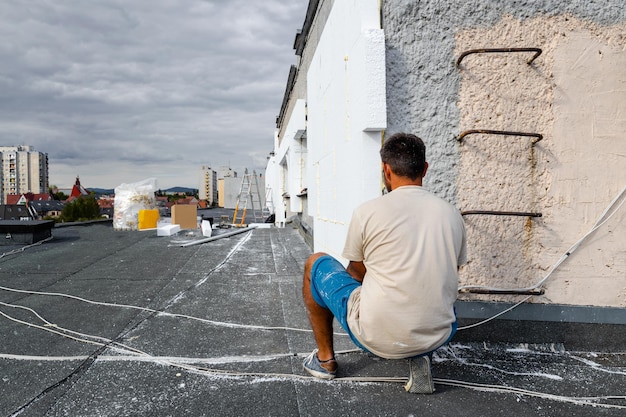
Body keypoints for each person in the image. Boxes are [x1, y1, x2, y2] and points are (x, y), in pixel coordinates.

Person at [302, 132, 467, 393]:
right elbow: (449, 271)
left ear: (386, 170)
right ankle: (419, 355)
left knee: (315, 263)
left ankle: (325, 362)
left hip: (376, 337)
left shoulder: (368, 212)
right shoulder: (451, 214)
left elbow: (356, 273)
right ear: (424, 169)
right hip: (439, 334)